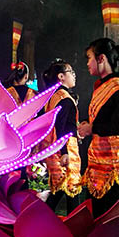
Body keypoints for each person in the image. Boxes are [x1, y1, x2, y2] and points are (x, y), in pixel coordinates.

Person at [76, 38, 119, 218]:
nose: (88, 63)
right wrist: (89, 126)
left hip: (116, 164)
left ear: (101, 58)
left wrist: (93, 128)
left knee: (112, 218)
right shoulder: (102, 86)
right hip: (100, 162)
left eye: (89, 58)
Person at [41, 59, 82, 212]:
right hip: (66, 150)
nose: (74, 75)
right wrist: (64, 152)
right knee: (72, 189)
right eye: (71, 72)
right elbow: (61, 127)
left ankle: (40, 220)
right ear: (61, 76)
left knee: (59, 192)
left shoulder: (53, 97)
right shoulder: (64, 98)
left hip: (56, 149)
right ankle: (75, 224)